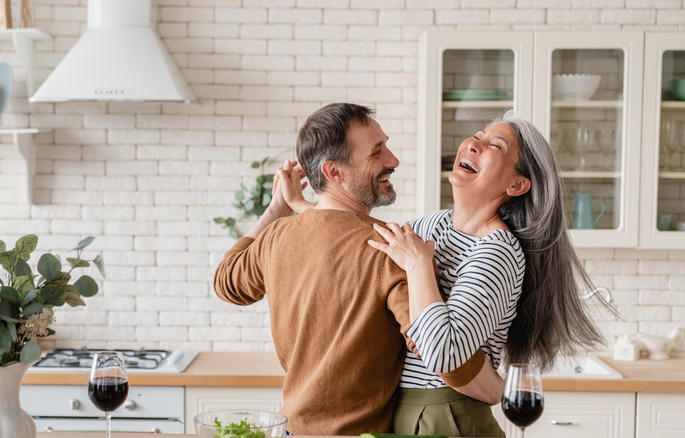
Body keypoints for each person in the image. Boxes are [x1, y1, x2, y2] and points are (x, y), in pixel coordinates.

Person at [278, 110, 607, 437]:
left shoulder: (498, 251)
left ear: (517, 184)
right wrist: (300, 204)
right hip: (404, 410)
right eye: (477, 136)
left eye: (496, 146)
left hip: (450, 415)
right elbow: (364, 240)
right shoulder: (433, 225)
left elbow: (445, 354)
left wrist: (420, 266)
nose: (473, 145)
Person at [213, 103, 500, 436]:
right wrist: (499, 390)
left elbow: (226, 282)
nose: (393, 160)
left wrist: (275, 209)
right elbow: (442, 353)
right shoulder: (390, 249)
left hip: (290, 430)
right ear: (334, 173)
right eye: (377, 153)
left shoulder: (277, 236)